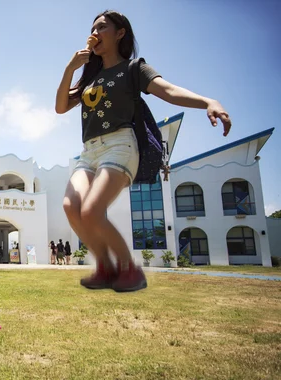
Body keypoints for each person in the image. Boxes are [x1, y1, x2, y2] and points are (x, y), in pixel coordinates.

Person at [55, 10, 231, 292]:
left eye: (102, 27)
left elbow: (169, 91)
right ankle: (105, 266)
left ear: (120, 33)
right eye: (93, 28)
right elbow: (61, 106)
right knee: (70, 206)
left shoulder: (133, 69)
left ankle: (129, 269)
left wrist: (208, 101)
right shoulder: (91, 76)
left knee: (91, 211)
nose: (95, 33)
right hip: (89, 152)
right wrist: (70, 68)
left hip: (120, 145)